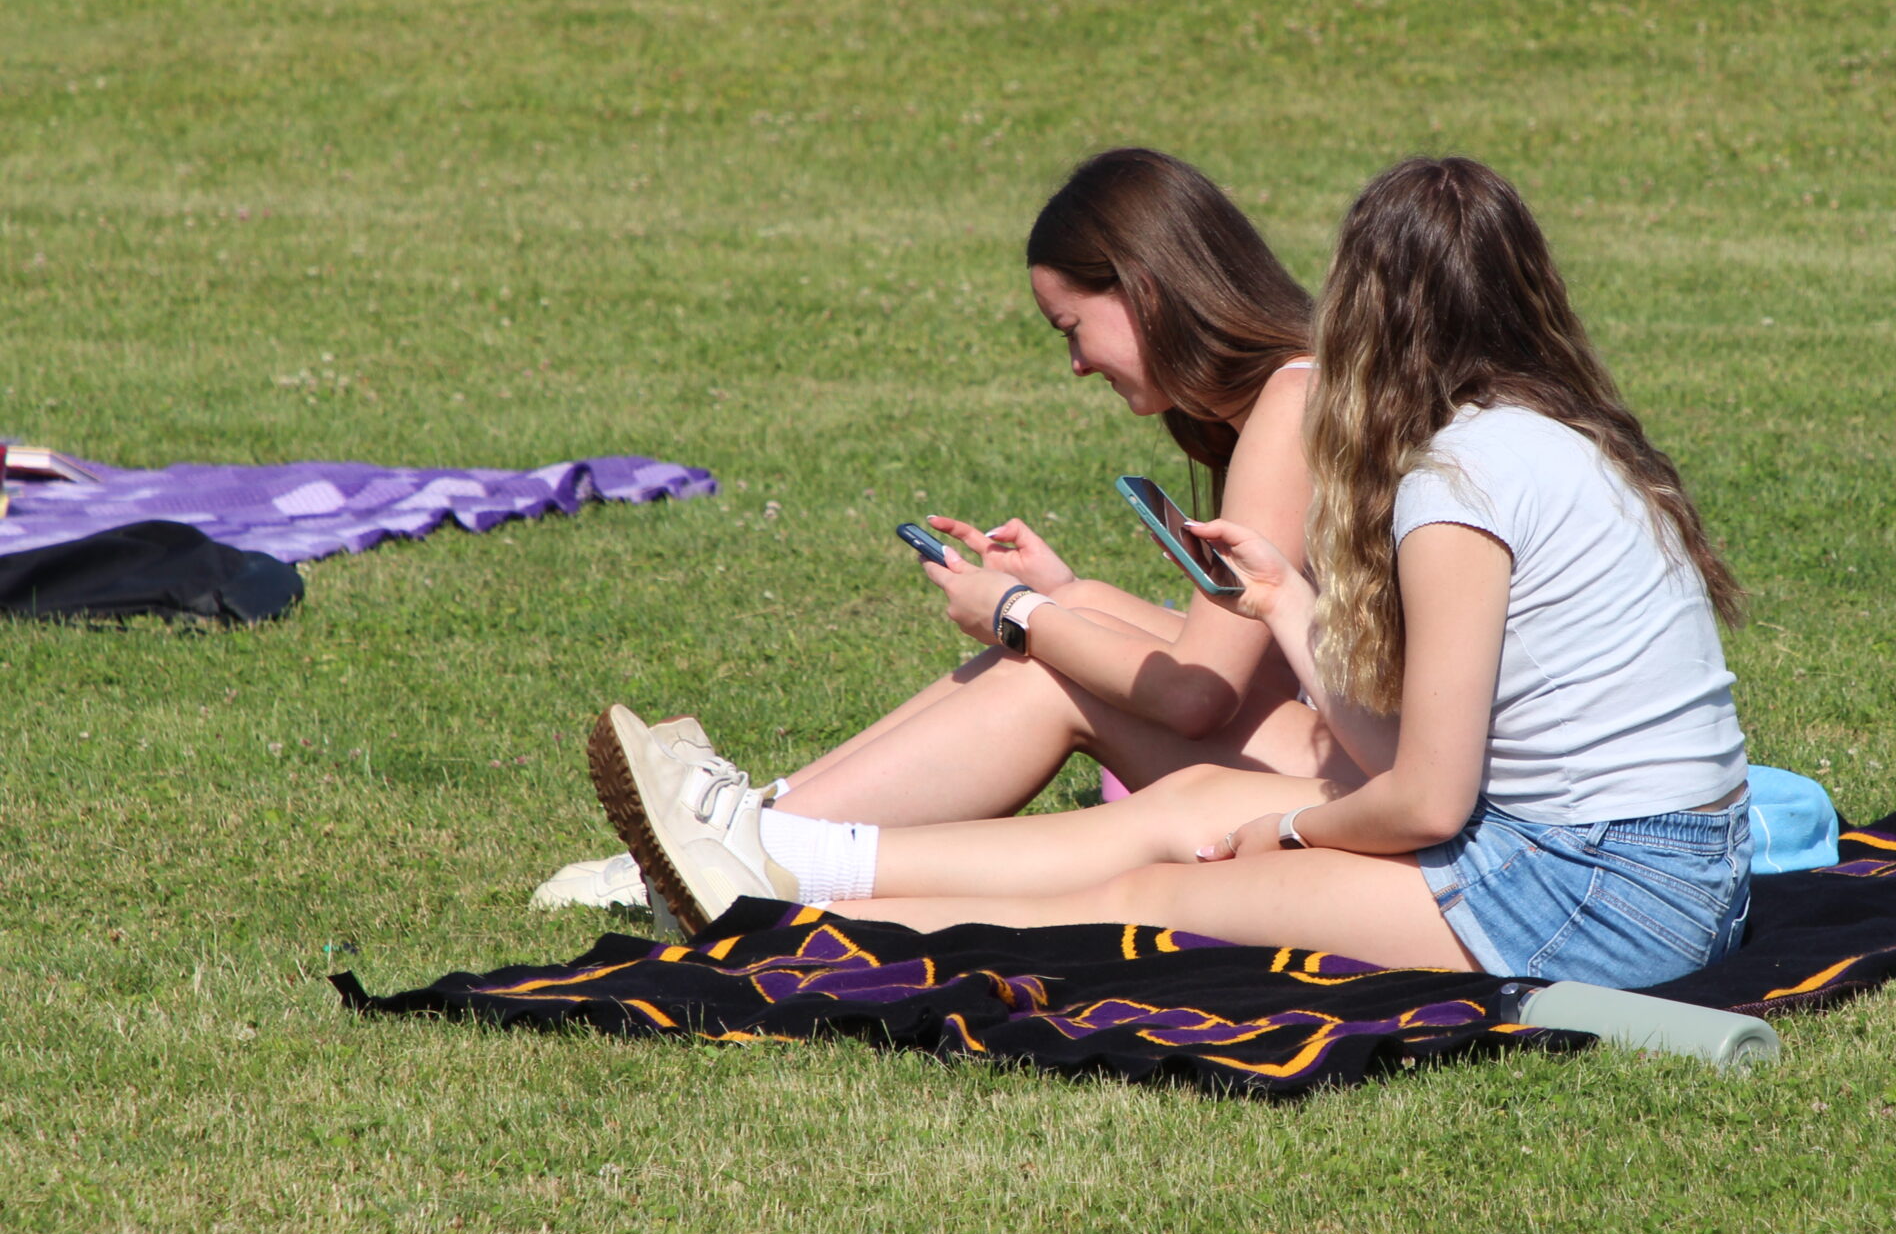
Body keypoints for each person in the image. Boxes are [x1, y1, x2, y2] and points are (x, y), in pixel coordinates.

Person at [586, 157, 1757, 985]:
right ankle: (792, 855)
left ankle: (782, 914)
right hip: (1659, 873)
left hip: (1588, 899)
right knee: (1188, 808)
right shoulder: (1566, 436)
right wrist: (1289, 606)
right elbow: (1413, 762)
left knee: (1152, 900)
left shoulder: (1460, 486)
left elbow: (1428, 801)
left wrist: (1290, 836)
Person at [536, 148, 1355, 916]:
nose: (1074, 364)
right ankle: (743, 831)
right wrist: (1061, 601)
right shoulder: (1296, 390)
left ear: (1143, 292)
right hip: (1351, 753)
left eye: (1070, 327)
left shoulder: (1286, 409)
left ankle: (748, 851)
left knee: (1048, 666)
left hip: (1368, 788)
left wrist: (1019, 613)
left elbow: (1198, 694)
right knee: (1082, 608)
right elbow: (1272, 669)